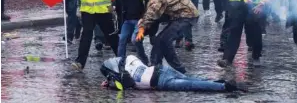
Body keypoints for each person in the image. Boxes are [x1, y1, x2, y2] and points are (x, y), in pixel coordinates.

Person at [136, 0, 199, 74]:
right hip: (179, 16)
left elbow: (152, 11)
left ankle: (178, 69)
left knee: (165, 40)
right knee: (160, 40)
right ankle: (155, 66)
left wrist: (142, 27)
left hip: (186, 16)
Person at [100, 55, 247, 92]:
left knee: (192, 85)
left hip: (160, 82)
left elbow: (128, 85)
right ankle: (221, 82)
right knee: (193, 80)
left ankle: (225, 87)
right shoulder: (131, 59)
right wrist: (112, 80)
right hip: (162, 69)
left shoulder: (125, 76)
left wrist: (112, 83)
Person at [117, 0, 148, 65]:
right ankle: (120, 62)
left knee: (135, 40)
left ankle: (144, 60)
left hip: (139, 19)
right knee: (122, 39)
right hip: (127, 19)